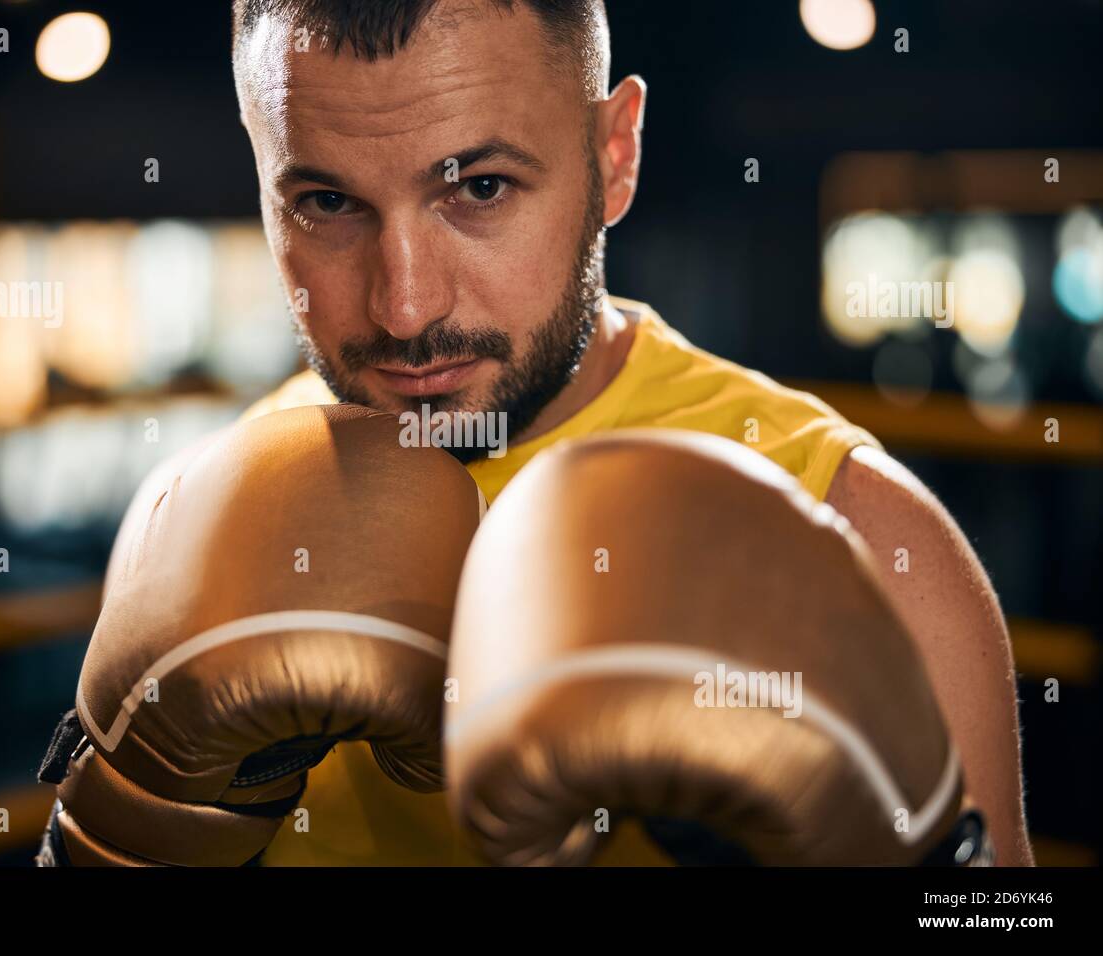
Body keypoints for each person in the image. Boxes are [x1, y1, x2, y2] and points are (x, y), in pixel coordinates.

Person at [86, 0, 1031, 865]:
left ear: (615, 153)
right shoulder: (205, 527)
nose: (406, 307)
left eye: (481, 188)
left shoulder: (864, 539)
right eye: (328, 203)